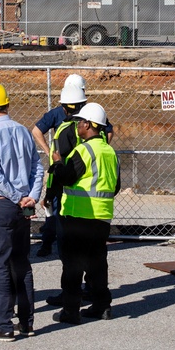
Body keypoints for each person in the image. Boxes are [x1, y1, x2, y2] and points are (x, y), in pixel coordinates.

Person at [0, 82, 44, 342]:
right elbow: (37, 168)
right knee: (22, 265)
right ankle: (26, 323)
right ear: (7, 104)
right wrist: (31, 197)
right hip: (22, 207)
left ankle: (4, 325)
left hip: (1, 204)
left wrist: (18, 198)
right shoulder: (23, 131)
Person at [50, 103, 120, 325]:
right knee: (97, 264)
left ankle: (70, 312)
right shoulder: (110, 152)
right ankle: (102, 306)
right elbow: (116, 185)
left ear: (89, 125)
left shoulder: (83, 150)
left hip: (79, 216)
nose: (78, 125)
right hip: (102, 217)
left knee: (73, 266)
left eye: (81, 122)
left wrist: (58, 164)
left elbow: (68, 177)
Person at [31, 73, 113, 257]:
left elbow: (37, 132)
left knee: (59, 220)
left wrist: (52, 158)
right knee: (94, 252)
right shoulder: (93, 123)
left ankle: (54, 248)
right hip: (92, 194)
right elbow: (108, 132)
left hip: (67, 182)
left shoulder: (64, 129)